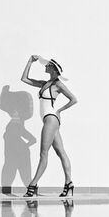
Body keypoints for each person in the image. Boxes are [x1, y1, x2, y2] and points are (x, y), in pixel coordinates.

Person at [20, 55, 78, 197]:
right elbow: (24, 79)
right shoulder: (45, 83)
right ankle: (69, 183)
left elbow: (74, 99)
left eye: (48, 65)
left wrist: (58, 111)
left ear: (53, 68)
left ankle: (33, 185)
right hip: (49, 120)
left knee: (43, 153)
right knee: (61, 152)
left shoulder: (58, 84)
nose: (45, 66)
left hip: (50, 119)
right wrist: (29, 62)